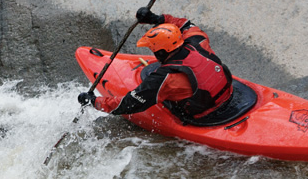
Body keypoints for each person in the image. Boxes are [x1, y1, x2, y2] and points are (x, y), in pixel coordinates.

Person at [77, 7, 234, 123]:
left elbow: (129, 104)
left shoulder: (164, 78)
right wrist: (156, 19)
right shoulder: (197, 40)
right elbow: (186, 24)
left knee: (158, 96)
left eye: (153, 50)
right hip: (229, 94)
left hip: (203, 114)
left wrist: (94, 102)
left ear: (161, 52)